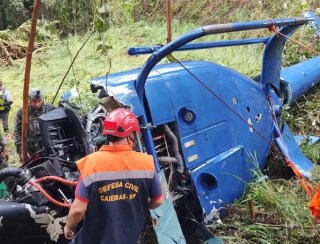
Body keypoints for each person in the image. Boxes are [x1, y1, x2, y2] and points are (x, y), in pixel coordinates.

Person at [64, 108, 163, 244]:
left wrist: (69, 226)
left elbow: (78, 210)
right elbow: (157, 200)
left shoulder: (90, 163)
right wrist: (137, 205)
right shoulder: (146, 162)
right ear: (131, 135)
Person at [13, 88, 55, 160]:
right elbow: (17, 131)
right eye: (34, 101)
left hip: (49, 144)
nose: (37, 104)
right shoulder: (22, 111)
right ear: (29, 100)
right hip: (31, 147)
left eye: (39, 101)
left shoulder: (50, 108)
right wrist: (22, 151)